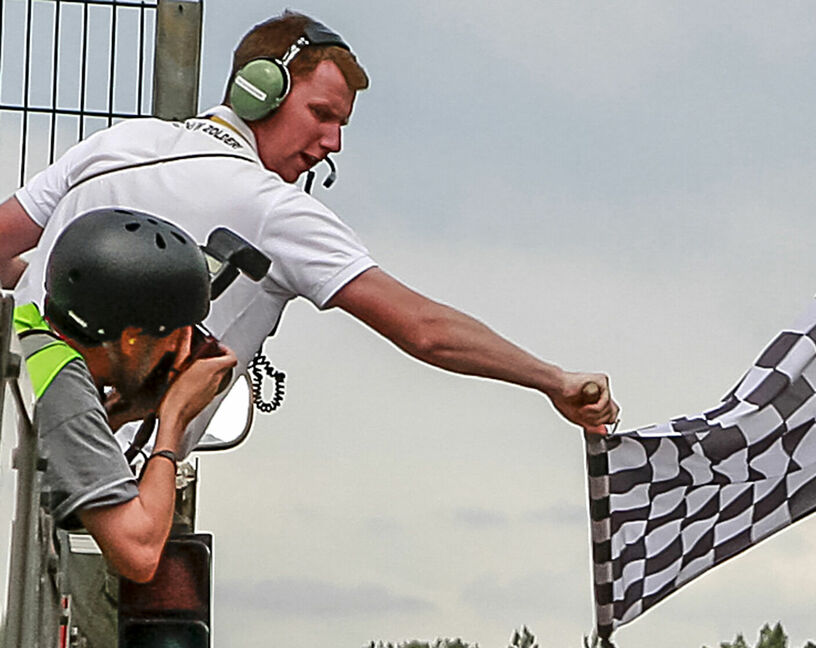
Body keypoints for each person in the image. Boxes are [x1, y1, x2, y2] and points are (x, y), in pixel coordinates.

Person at [0, 15, 615, 435]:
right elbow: (427, 331)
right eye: (321, 114)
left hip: (16, 416)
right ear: (259, 93)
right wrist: (552, 379)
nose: (334, 142)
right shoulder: (274, 209)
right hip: (93, 494)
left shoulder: (121, 142)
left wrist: (59, 274)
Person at [15, 208, 238, 582]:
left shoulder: (30, 343)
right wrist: (174, 419)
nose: (178, 351)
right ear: (132, 338)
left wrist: (115, 414)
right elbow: (140, 553)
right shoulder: (62, 382)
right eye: (176, 335)